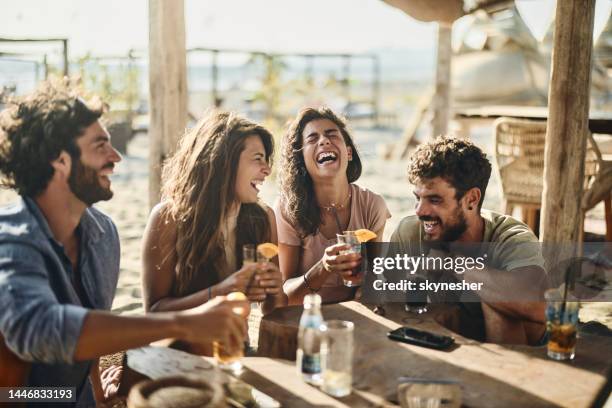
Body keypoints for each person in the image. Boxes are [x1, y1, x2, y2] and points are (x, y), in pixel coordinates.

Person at [0, 80, 248, 406]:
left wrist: (98, 397)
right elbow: (46, 332)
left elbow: (87, 339)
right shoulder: (12, 244)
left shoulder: (104, 235)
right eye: (100, 145)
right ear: (60, 160)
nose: (115, 156)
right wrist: (188, 323)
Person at [390, 136, 547, 345]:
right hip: (451, 346)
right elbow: (385, 296)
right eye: (418, 198)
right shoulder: (410, 232)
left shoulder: (511, 237)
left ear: (471, 200)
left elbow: (538, 307)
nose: (420, 211)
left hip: (525, 353)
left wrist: (452, 263)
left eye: (435, 200)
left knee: (497, 301)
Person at [141, 110, 286, 334]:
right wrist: (221, 292)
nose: (267, 170)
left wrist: (275, 291)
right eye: (258, 158)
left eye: (266, 160)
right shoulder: (167, 218)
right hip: (182, 349)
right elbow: (154, 312)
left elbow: (273, 309)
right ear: (223, 160)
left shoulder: (264, 218)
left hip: (236, 347)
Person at [276, 107, 391, 305]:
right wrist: (323, 268)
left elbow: (374, 277)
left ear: (348, 152)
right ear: (302, 161)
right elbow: (284, 296)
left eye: (331, 134)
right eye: (312, 139)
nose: (324, 140)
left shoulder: (372, 205)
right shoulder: (288, 210)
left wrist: (368, 284)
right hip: (306, 320)